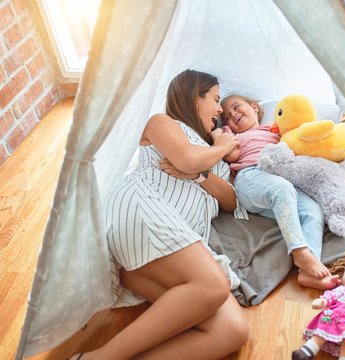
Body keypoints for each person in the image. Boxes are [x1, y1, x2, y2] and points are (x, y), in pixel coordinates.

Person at [71, 70, 249, 360]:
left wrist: (201, 174)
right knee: (214, 283)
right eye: (216, 100)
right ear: (194, 96)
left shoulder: (212, 157)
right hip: (143, 209)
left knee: (232, 330)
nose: (219, 110)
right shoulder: (163, 123)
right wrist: (219, 148)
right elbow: (186, 158)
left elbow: (229, 200)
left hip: (169, 245)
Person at [220, 94, 337, 288]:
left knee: (313, 212)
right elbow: (231, 155)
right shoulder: (233, 136)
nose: (233, 115)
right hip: (250, 178)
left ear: (254, 107)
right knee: (282, 189)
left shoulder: (273, 128)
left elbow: (296, 138)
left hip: (281, 183)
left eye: (236, 107)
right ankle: (299, 252)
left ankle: (307, 272)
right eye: (227, 117)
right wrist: (221, 135)